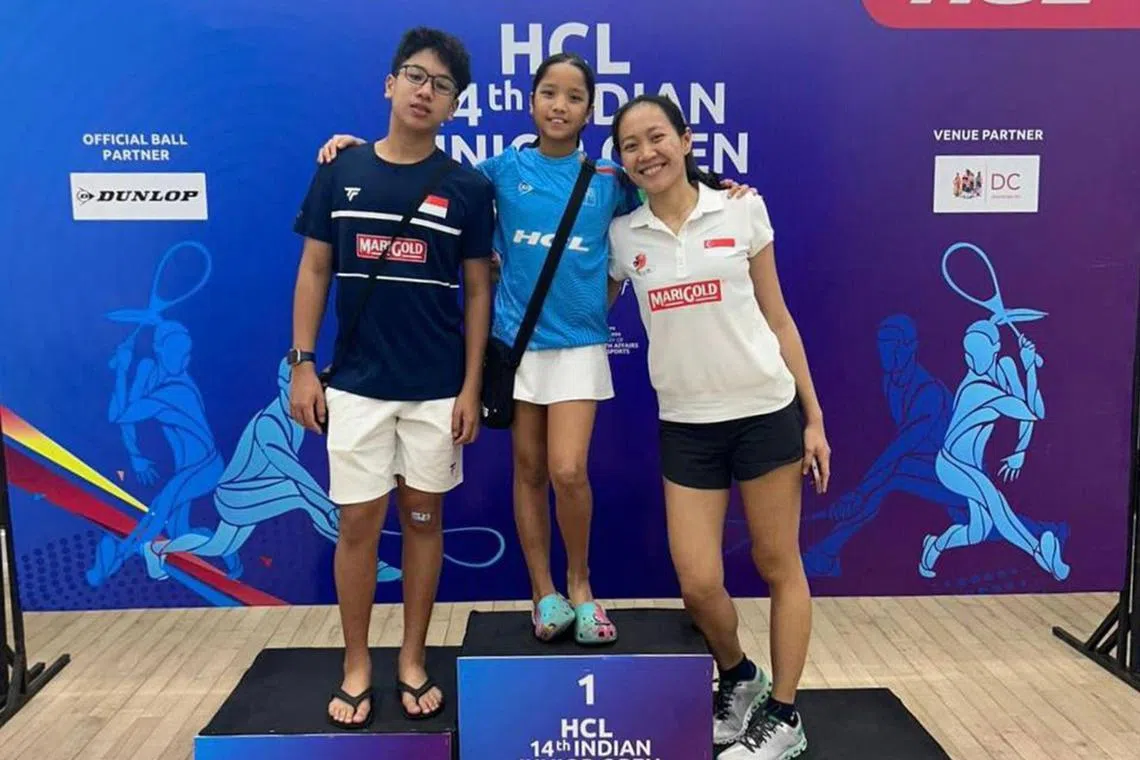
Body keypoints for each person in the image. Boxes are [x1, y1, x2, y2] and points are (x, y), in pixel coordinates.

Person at [316, 54, 755, 646]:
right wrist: (355, 147)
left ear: (589, 111)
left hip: (579, 346)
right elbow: (423, 168)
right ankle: (543, 592)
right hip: (514, 348)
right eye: (549, 93)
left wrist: (719, 188)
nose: (559, 106)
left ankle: (580, 586)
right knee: (528, 471)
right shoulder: (497, 171)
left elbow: (667, 188)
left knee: (567, 470)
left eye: (574, 97)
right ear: (531, 102)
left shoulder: (607, 181)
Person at [606, 94, 830, 760]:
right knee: (698, 581)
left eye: (657, 138)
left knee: (776, 563)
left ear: (684, 138)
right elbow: (581, 303)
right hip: (688, 426)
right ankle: (739, 678)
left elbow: (780, 317)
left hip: (765, 413)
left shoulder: (741, 209)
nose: (647, 153)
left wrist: (813, 417)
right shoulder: (624, 237)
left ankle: (784, 714)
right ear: (620, 162)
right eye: (630, 146)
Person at [289, 27, 494, 728]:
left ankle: (410, 657)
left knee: (423, 521)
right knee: (357, 526)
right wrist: (303, 363)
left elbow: (477, 294)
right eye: (415, 76)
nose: (425, 91)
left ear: (454, 105)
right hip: (352, 386)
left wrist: (471, 388)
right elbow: (315, 268)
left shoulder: (466, 188)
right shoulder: (339, 171)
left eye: (441, 85)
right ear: (389, 83)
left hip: (437, 391)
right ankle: (356, 662)